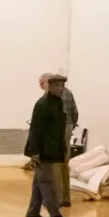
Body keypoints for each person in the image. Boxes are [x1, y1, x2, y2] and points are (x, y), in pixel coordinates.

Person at [25, 74, 71, 217]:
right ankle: (55, 215)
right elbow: (35, 129)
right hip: (43, 150)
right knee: (47, 182)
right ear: (48, 87)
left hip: (52, 149)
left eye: (61, 86)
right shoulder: (43, 104)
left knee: (39, 183)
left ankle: (32, 213)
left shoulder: (57, 103)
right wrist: (34, 152)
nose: (60, 88)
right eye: (56, 86)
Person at [40, 72, 79, 208]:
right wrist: (71, 126)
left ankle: (58, 198)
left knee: (55, 164)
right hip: (68, 128)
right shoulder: (69, 93)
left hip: (57, 130)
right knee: (64, 164)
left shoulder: (50, 95)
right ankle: (66, 198)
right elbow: (75, 113)